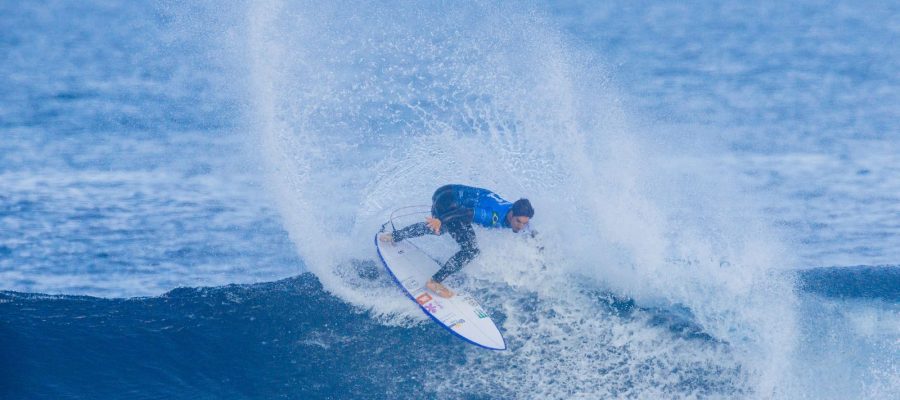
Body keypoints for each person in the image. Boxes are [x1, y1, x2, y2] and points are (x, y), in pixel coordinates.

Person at [379, 184, 534, 298]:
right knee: (471, 250)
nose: (520, 227)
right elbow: (464, 213)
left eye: (524, 223)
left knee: (442, 229)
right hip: (448, 202)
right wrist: (440, 219)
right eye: (518, 222)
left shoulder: (520, 215)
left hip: (448, 191)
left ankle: (394, 236)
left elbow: (529, 228)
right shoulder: (491, 215)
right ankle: (435, 282)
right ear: (511, 214)